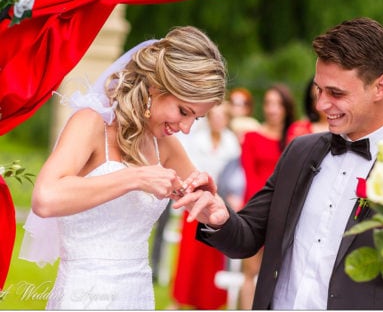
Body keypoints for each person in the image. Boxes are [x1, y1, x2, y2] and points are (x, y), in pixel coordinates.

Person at [174, 17, 383, 309]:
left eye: (337, 93)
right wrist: (220, 218)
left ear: (380, 87)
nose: (320, 105)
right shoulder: (300, 152)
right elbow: (247, 235)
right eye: (319, 90)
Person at [22, 26, 226, 310]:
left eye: (197, 119)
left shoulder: (165, 147)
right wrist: (134, 177)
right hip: (85, 295)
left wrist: (211, 208)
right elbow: (45, 198)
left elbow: (203, 205)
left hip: (138, 296)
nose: (187, 128)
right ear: (156, 88)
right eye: (183, 111)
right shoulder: (90, 124)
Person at [172, 102, 240, 310]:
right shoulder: (198, 140)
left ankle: (209, 301)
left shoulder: (232, 142)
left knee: (212, 256)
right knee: (190, 255)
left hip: (219, 202)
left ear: (227, 119)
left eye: (222, 116)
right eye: (215, 116)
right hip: (195, 200)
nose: (218, 120)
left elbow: (235, 175)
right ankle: (183, 298)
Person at [237, 83, 295, 309]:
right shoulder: (251, 137)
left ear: (286, 108)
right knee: (250, 272)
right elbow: (249, 177)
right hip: (256, 209)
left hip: (285, 211)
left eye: (278, 104)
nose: (272, 109)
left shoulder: (296, 139)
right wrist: (258, 214)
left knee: (280, 272)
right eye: (269, 103)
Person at [286, 77, 328, 145]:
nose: (323, 102)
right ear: (311, 103)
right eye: (316, 98)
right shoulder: (298, 130)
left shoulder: (348, 131)